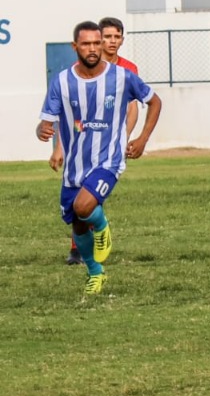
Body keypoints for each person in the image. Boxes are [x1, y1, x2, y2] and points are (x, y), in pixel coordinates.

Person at [37, 20, 163, 295]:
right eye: (87, 44)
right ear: (75, 47)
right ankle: (96, 273)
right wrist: (43, 131)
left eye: (97, 43)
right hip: (75, 166)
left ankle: (103, 226)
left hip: (109, 160)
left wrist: (141, 139)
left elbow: (154, 101)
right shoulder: (61, 81)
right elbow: (47, 120)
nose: (93, 48)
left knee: (85, 208)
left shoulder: (122, 77)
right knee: (77, 223)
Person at [52, 16, 141, 265]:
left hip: (109, 146)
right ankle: (78, 247)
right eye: (107, 37)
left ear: (122, 40)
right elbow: (73, 116)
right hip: (83, 145)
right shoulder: (81, 70)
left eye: (116, 37)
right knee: (80, 200)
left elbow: (132, 107)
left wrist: (125, 138)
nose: (111, 42)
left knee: (89, 197)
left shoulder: (127, 70)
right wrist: (61, 146)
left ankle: (91, 245)